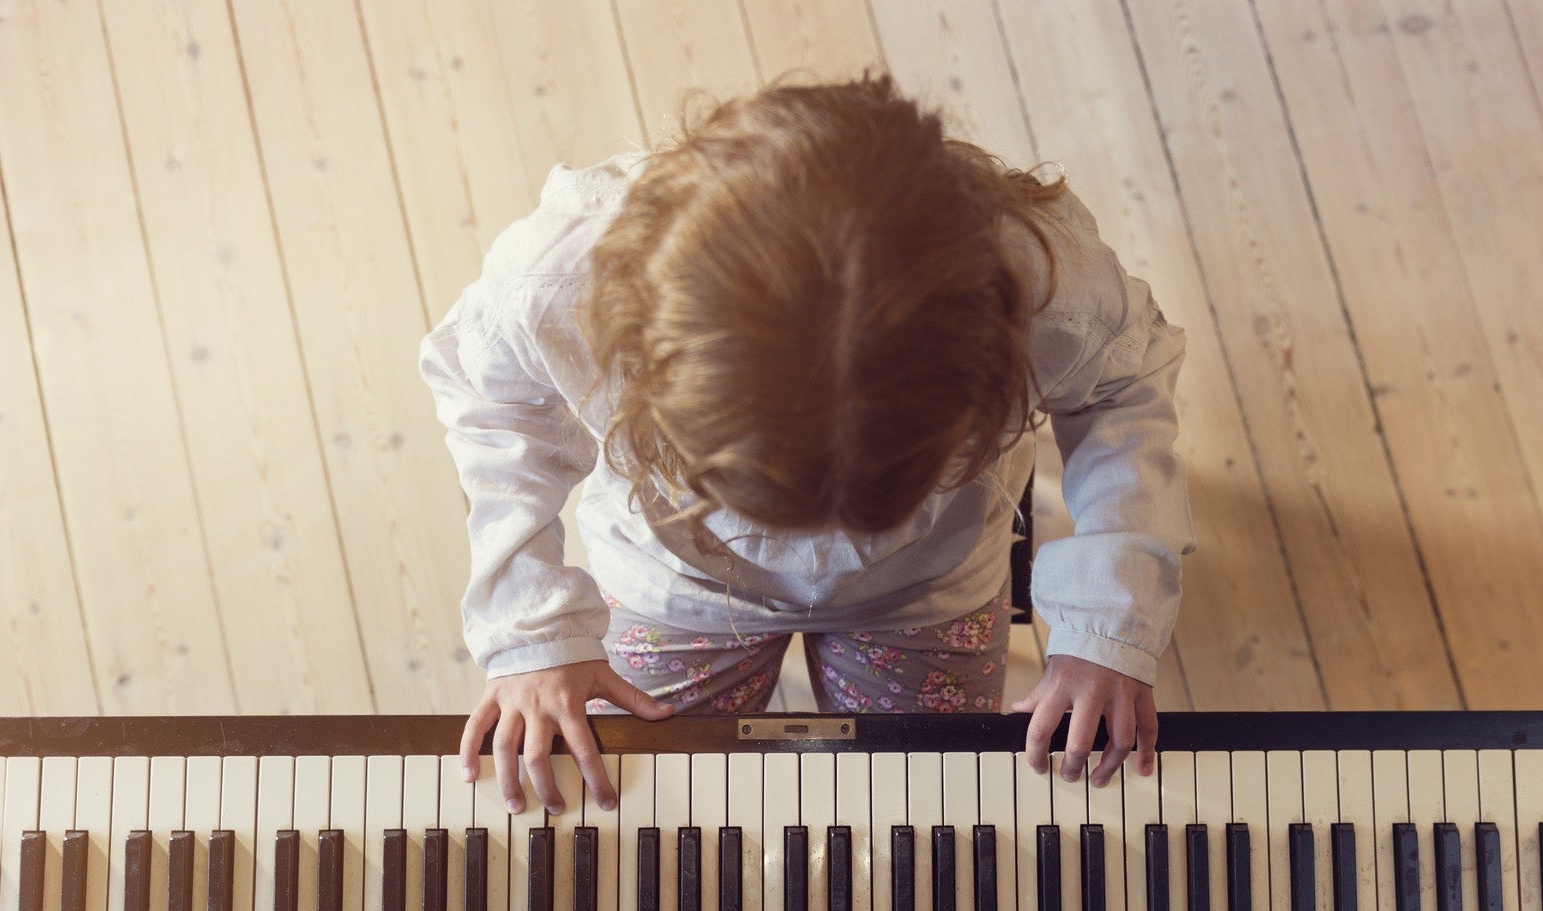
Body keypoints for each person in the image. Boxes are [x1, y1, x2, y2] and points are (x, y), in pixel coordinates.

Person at [420, 73, 1191, 816]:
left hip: (923, 585)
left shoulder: (1047, 285)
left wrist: (1106, 623)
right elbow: (492, 400)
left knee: (916, 809)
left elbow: (1122, 387)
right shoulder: (556, 283)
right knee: (662, 801)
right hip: (675, 579)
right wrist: (534, 630)